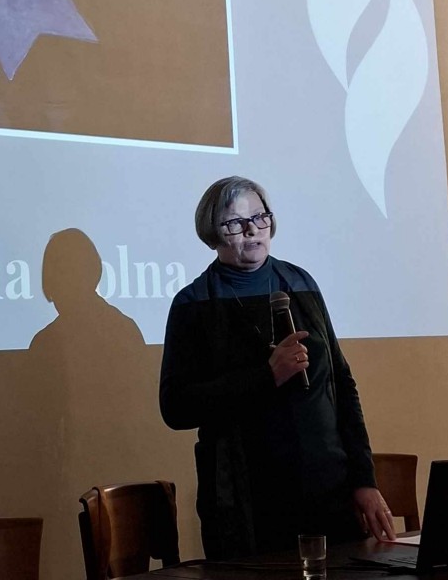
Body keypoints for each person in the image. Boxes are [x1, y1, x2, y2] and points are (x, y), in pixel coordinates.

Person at [159, 176, 396, 559]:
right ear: (212, 232)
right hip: (246, 503)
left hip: (328, 490)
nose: (252, 229)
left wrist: (363, 480)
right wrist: (266, 376)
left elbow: (341, 383)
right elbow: (175, 407)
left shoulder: (301, 284)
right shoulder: (194, 303)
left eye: (260, 217)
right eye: (235, 222)